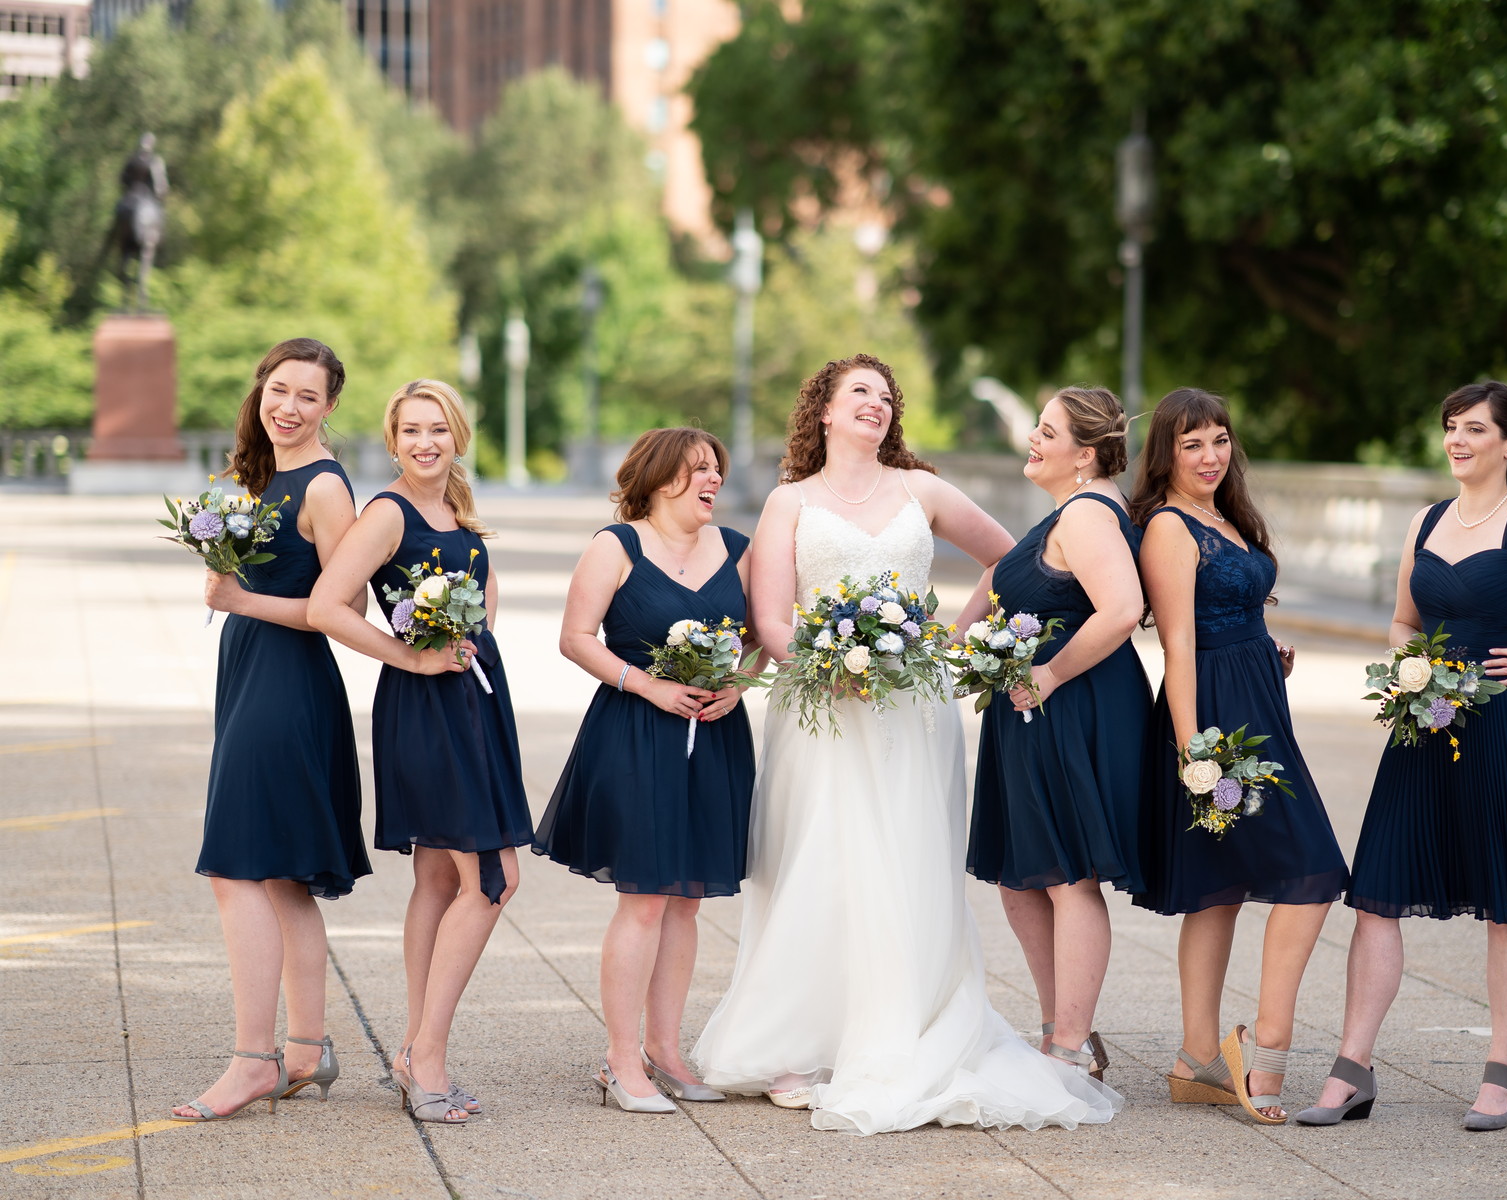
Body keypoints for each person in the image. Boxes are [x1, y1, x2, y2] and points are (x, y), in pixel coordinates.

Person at [693, 353, 1121, 1135]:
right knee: (817, 858)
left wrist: (949, 640)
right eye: (860, 392)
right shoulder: (791, 502)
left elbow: (1011, 557)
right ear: (823, 409)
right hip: (821, 708)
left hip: (911, 709)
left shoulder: (920, 491)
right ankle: (796, 1039)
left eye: (887, 397)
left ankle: (910, 1021)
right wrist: (825, 665)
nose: (877, 405)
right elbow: (772, 616)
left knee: (903, 859)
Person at [1297, 381, 1507, 1131]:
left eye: (1474, 429)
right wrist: (1410, 672)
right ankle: (1352, 1068)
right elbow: (1400, 621)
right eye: (1450, 427)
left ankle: (1500, 1072)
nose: (1456, 440)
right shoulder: (1425, 522)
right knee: (1378, 894)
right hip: (1423, 729)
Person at [308, 379, 533, 1125]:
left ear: (457, 433)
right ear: (392, 439)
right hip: (428, 708)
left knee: (440, 879)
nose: (425, 442)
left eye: (437, 428)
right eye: (410, 431)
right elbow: (327, 606)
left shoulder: (457, 506)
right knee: (495, 881)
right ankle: (428, 1055)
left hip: (472, 702)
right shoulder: (387, 512)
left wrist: (476, 648)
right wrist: (413, 658)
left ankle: (411, 1052)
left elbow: (485, 590)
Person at [1130, 387, 1349, 1125]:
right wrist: (1196, 751)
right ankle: (1267, 1044)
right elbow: (1179, 642)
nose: (1210, 456)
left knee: (1220, 883)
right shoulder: (1168, 526)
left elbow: (1234, 614)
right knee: (1312, 869)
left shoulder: (1227, 516)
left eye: (1220, 440)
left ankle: (1197, 1060)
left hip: (1255, 693)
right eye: (1192, 443)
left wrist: (1265, 656)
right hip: (1214, 717)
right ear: (1165, 453)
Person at [534, 428, 759, 1114]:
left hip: (715, 737)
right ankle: (620, 1060)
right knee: (645, 900)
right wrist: (647, 684)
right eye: (698, 470)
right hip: (635, 732)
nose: (712, 481)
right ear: (662, 479)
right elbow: (575, 637)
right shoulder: (617, 545)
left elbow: (760, 639)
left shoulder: (740, 552)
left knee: (686, 900)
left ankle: (666, 1050)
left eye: (716, 470)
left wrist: (741, 685)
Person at [173, 338, 369, 1121]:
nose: (288, 407)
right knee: (282, 875)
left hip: (290, 683)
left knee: (237, 868)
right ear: (260, 392)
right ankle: (308, 1048)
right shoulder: (253, 476)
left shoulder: (323, 488)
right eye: (278, 390)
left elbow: (343, 609)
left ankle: (253, 1061)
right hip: (248, 670)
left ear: (329, 408)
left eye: (308, 397)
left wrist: (240, 600)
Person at [965, 386, 1149, 1080]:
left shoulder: (1091, 514)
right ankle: (1060, 1031)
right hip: (1031, 711)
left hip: (1072, 705)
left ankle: (1068, 1046)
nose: (1033, 441)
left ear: (1087, 454)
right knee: (1024, 880)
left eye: (1047, 431)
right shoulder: (1066, 512)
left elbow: (1123, 608)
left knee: (1069, 876)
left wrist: (1050, 675)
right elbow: (1000, 578)